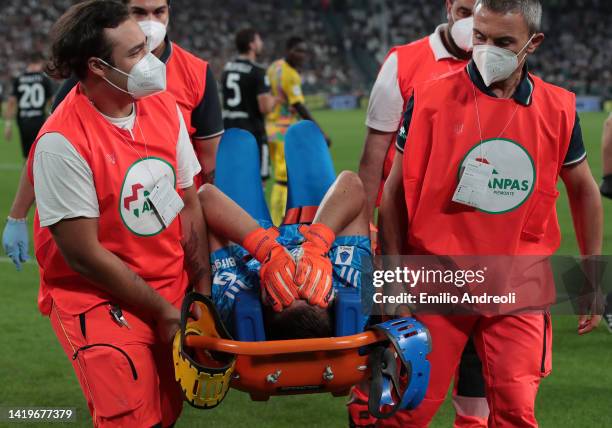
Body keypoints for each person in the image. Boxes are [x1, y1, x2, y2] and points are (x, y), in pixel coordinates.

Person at [379, 1, 603, 426]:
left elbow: (585, 190)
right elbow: (392, 195)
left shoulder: (558, 109)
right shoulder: (428, 98)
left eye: (503, 42)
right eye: (480, 36)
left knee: (516, 412)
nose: (485, 49)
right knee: (404, 412)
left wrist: (591, 279)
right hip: (436, 279)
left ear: (532, 43)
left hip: (517, 284)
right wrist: (391, 279)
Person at [28, 1, 211, 426]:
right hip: (97, 298)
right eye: (134, 54)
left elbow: (189, 201)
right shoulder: (62, 141)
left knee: (165, 413)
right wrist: (163, 312)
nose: (149, 61)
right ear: (97, 66)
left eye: (146, 48)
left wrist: (199, 291)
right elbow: (83, 256)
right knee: (131, 418)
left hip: (169, 288)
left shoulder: (163, 107)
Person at [2, 0, 224, 271]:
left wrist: (209, 234)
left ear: (169, 12)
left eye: (159, 12)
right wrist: (17, 215)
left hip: (177, 226)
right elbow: (47, 145)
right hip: (114, 230)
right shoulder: (96, 75)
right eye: (139, 12)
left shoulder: (197, 72)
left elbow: (211, 163)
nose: (151, 21)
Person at [351, 2, 490, 426]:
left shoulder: (501, 67)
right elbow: (373, 162)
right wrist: (363, 241)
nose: (471, 23)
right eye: (465, 9)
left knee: (477, 367)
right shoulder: (405, 64)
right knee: (400, 360)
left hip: (479, 247)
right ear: (449, 6)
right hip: (409, 246)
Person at [199, 170, 371, 337]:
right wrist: (316, 245)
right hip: (316, 222)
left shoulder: (232, 304)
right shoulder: (356, 293)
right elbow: (352, 183)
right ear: (332, 296)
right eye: (310, 282)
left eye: (286, 285)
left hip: (247, 229)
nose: (297, 267)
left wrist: (266, 249)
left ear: (265, 297)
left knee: (240, 141)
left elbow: (205, 197)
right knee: (305, 140)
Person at [266, 36, 331, 225]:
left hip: (270, 127)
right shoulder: (290, 75)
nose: (302, 55)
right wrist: (319, 132)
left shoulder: (274, 67)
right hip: (283, 130)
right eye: (298, 51)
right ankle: (279, 222)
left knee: (281, 178)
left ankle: (281, 219)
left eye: (304, 51)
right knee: (283, 180)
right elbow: (299, 106)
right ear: (288, 50)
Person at [222, 28, 279, 183]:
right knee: (258, 183)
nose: (261, 43)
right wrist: (276, 99)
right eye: (259, 40)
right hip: (251, 132)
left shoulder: (227, 69)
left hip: (228, 131)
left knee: (234, 181)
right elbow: (265, 107)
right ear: (252, 45)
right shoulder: (258, 71)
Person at [3, 52, 54, 159]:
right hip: (39, 121)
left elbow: (11, 102)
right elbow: (52, 103)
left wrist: (8, 125)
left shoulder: (20, 79)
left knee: (27, 157)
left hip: (23, 121)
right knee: (38, 155)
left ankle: (27, 174)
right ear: (40, 62)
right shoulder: (44, 79)